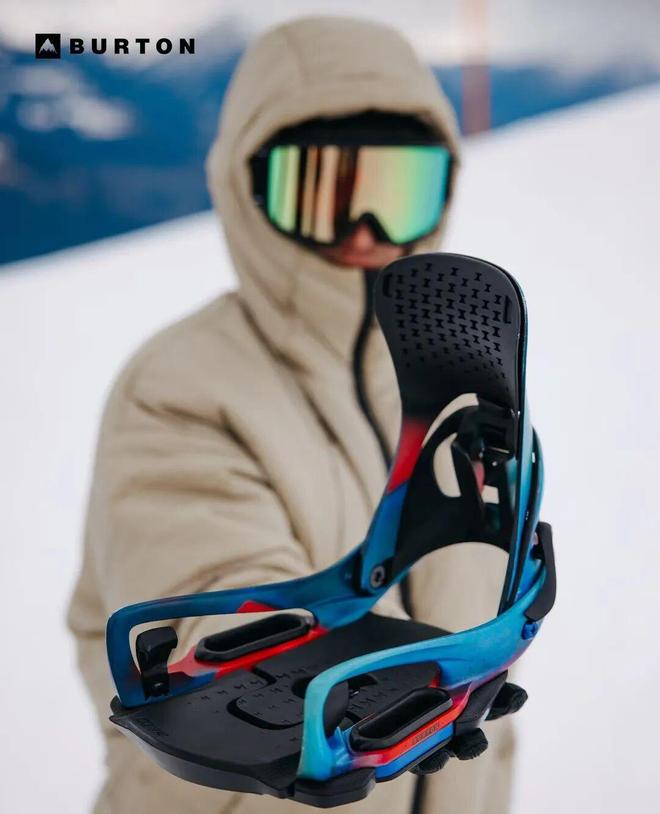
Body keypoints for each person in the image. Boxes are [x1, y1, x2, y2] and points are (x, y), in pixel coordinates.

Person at [68, 15, 514, 814]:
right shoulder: (181, 387)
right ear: (248, 190)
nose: (363, 234)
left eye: (395, 193)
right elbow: (209, 593)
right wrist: (282, 681)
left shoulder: (454, 395)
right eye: (321, 193)